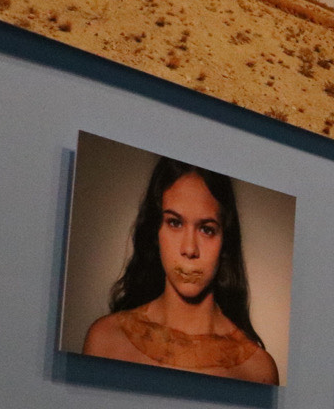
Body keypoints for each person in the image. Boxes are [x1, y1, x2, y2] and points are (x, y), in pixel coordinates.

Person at [82, 157, 279, 384]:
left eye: (206, 229)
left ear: (225, 239)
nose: (189, 249)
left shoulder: (256, 369)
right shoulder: (106, 340)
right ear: (156, 231)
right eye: (175, 223)